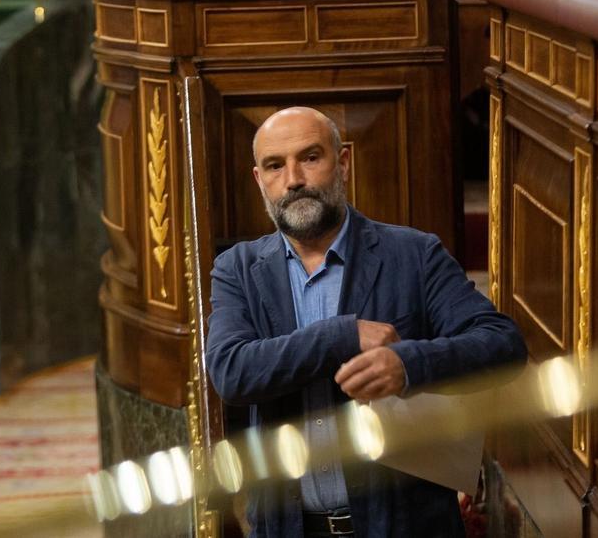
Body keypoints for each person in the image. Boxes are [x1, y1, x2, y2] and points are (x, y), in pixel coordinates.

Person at [205, 106, 526, 537]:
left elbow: (503, 345)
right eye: (275, 166)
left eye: (310, 157)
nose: (293, 179)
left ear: (343, 163)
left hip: (406, 528)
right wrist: (342, 335)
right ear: (259, 179)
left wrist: (408, 365)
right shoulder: (237, 269)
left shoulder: (415, 254)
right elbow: (231, 372)